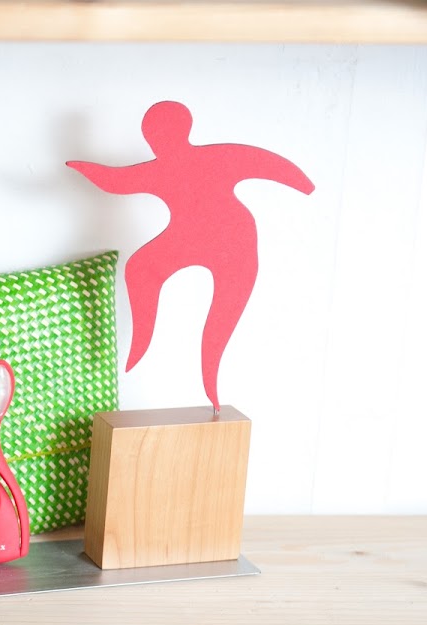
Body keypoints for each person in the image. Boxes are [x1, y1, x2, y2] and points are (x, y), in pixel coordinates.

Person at [68, 101, 314, 410]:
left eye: (158, 135)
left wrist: (305, 186)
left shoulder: (214, 157)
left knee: (222, 313)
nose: (157, 142)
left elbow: (265, 164)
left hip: (232, 237)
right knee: (140, 268)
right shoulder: (163, 168)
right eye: (153, 136)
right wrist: (81, 166)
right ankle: (141, 343)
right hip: (189, 237)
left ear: (182, 130)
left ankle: (210, 381)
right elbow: (115, 181)